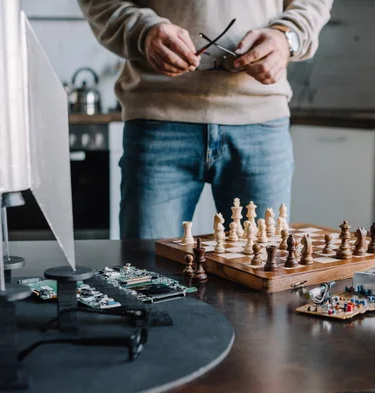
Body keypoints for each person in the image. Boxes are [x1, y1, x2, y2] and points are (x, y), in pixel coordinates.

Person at [78, 0, 333, 239]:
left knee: (262, 271)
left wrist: (287, 36)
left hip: (261, 122)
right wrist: (143, 32)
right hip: (158, 118)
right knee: (147, 277)